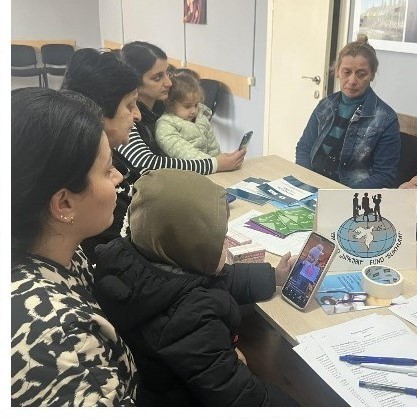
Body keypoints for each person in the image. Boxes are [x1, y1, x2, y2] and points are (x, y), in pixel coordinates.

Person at [92, 169, 299, 407]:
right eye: (221, 238)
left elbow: (221, 278)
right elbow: (238, 396)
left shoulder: (137, 259)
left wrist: (274, 276)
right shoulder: (191, 317)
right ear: (191, 248)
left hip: (174, 373)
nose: (226, 243)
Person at [11, 87, 137, 406]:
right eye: (107, 170)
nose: (118, 177)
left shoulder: (55, 249)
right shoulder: (63, 345)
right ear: (64, 203)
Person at [61, 48, 141, 263]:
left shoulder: (116, 158)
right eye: (129, 105)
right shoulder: (85, 188)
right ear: (97, 111)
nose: (138, 115)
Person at [119, 40, 246, 175]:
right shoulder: (124, 115)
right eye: (157, 78)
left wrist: (216, 159)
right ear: (134, 81)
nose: (168, 83)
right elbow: (145, 162)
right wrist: (214, 164)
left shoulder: (166, 105)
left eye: (167, 73)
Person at [295, 34, 400, 188]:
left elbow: (385, 176)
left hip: (349, 193)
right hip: (311, 185)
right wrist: (305, 181)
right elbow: (304, 147)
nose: (352, 81)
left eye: (361, 74)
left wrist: (342, 196)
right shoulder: (325, 105)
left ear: (372, 75)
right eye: (346, 72)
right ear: (337, 71)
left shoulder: (386, 119)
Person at [155, 71, 221, 159]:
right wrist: (213, 163)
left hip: (208, 164)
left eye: (196, 105)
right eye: (187, 106)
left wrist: (220, 160)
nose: (194, 111)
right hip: (183, 166)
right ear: (170, 104)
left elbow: (213, 147)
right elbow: (183, 152)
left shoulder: (201, 118)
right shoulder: (165, 124)